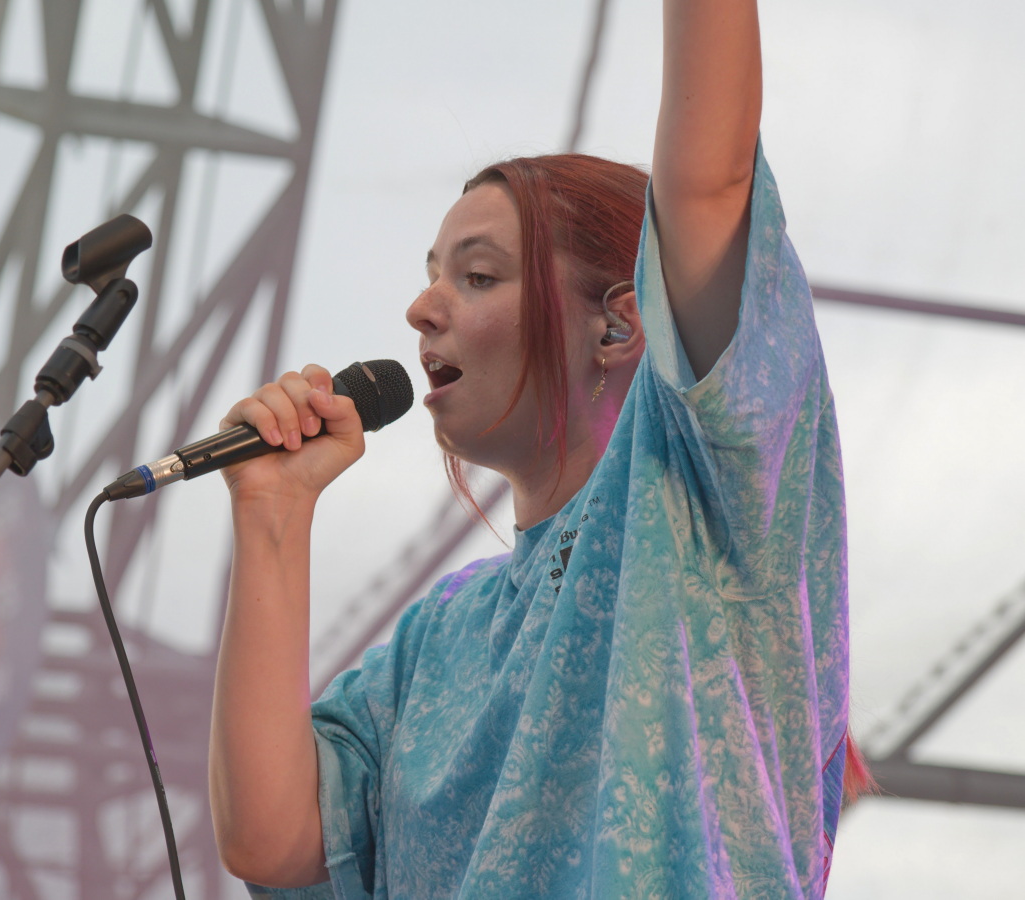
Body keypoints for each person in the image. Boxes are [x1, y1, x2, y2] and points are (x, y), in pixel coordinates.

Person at [208, 1, 868, 896]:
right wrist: (272, 514)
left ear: (621, 325)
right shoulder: (437, 636)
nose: (422, 309)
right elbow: (272, 841)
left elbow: (708, 185)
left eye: (478, 276)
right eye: (432, 275)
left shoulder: (703, 484)